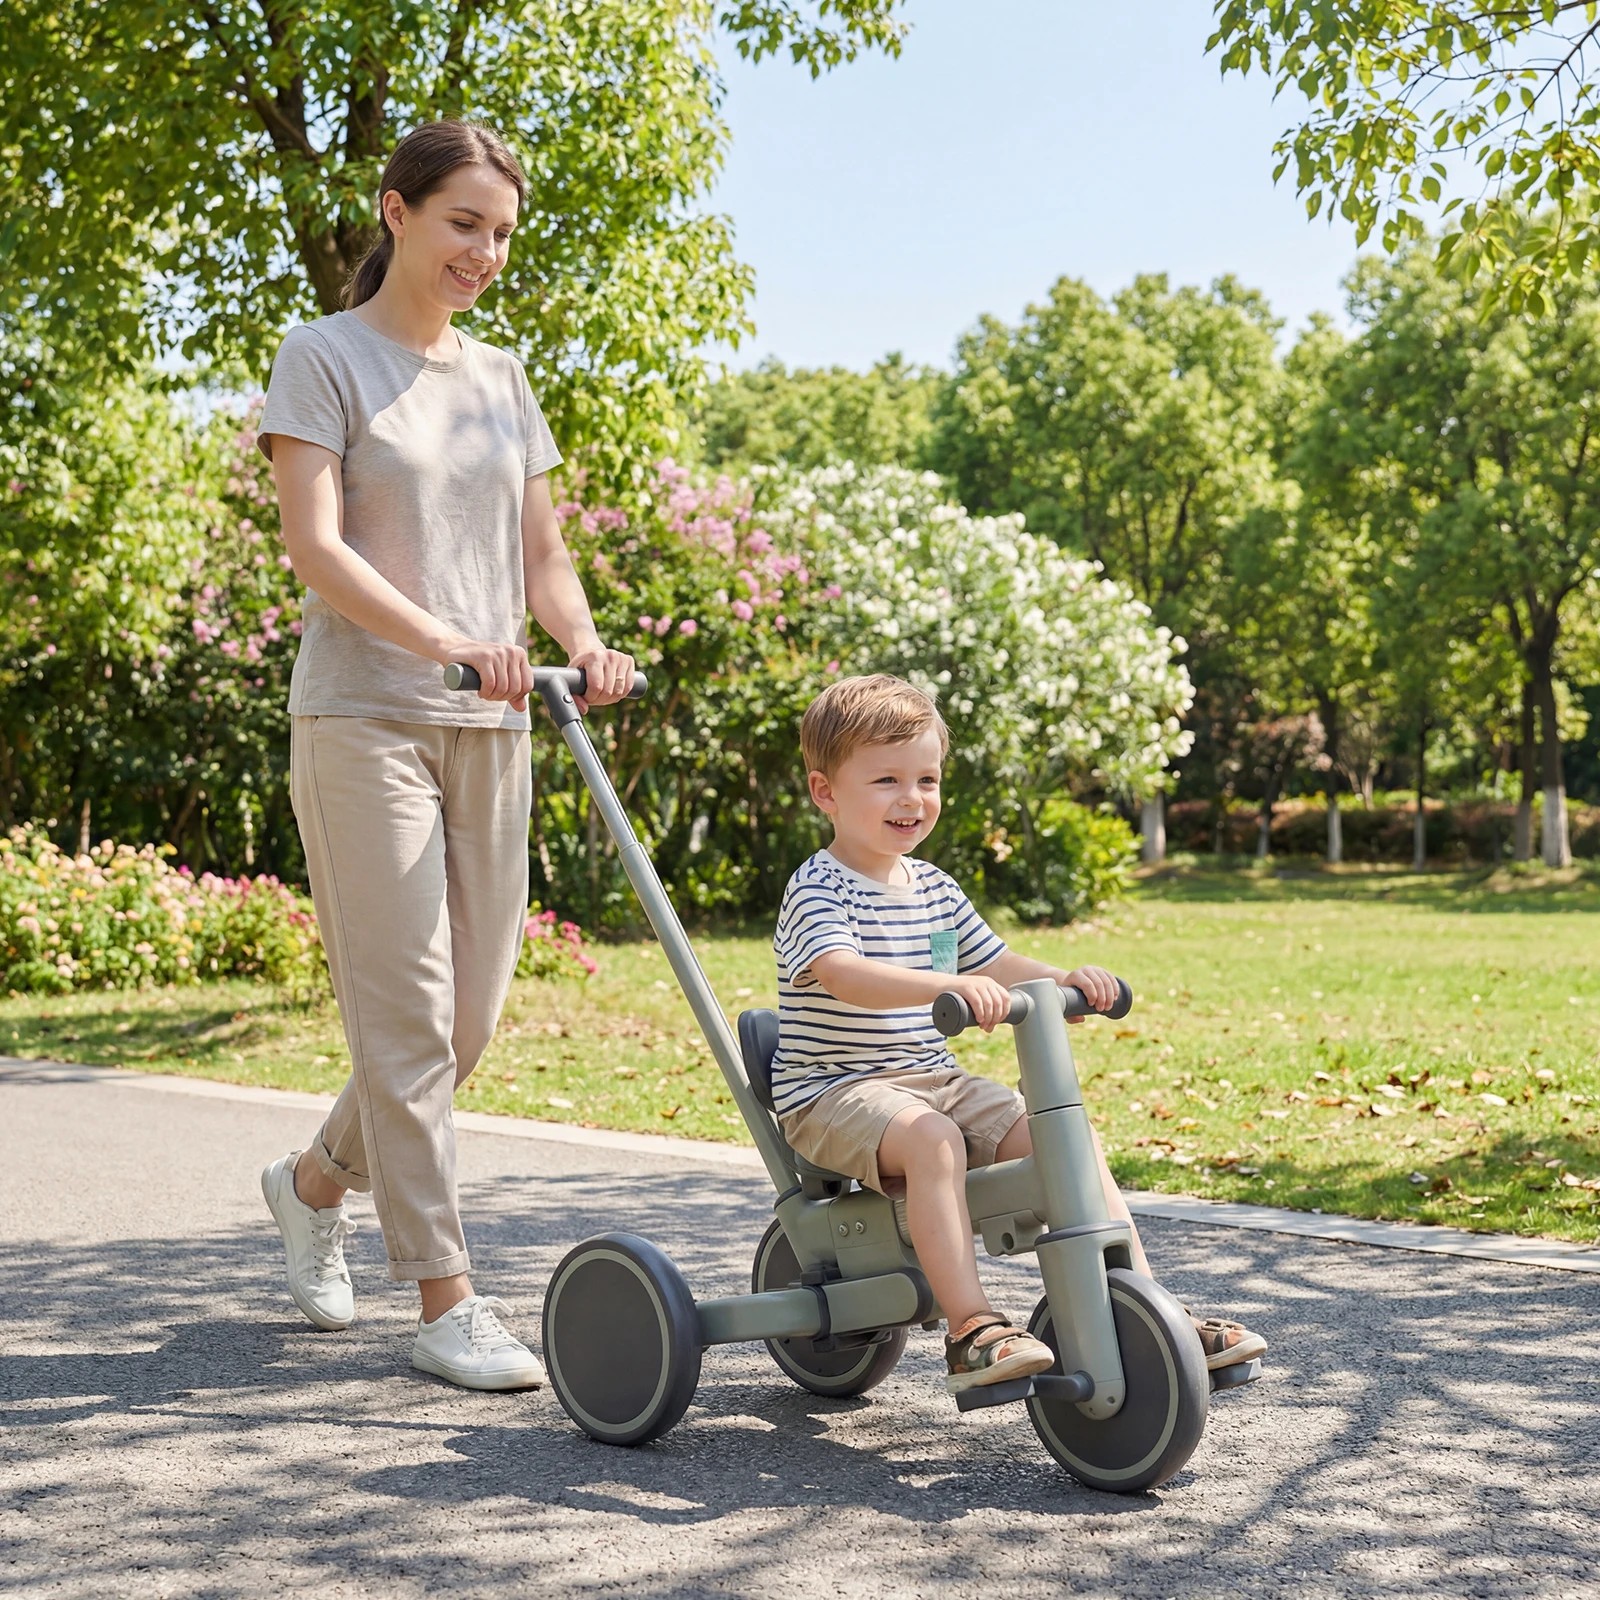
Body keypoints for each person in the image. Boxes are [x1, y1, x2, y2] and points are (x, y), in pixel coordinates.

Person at [255, 119, 634, 1391]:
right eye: (464, 222)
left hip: (497, 716)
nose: (484, 251)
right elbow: (315, 544)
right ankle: (444, 1298)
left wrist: (583, 638)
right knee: (408, 1016)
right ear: (398, 211)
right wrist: (446, 640)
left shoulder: (501, 379)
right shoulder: (325, 357)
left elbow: (542, 556)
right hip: (363, 715)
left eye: (502, 233)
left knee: (463, 1027)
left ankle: (312, 1183)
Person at [769, 673, 1267, 1393]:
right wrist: (947, 986)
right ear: (826, 793)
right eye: (886, 780)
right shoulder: (818, 886)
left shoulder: (936, 888)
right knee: (933, 1140)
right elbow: (843, 972)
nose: (912, 799)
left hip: (933, 1080)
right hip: (834, 1091)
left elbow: (994, 962)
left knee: (1061, 1139)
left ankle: (1144, 1305)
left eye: (927, 779)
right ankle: (972, 1330)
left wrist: (1065, 981)